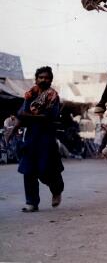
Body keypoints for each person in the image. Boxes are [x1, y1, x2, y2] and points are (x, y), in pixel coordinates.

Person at [11, 66, 64, 212]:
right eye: (41, 77)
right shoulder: (30, 95)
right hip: (31, 138)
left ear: (51, 80)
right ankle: (32, 203)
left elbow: (47, 117)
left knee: (46, 170)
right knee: (28, 171)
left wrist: (26, 116)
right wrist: (12, 131)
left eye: (46, 78)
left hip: (46, 137)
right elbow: (22, 115)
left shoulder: (53, 97)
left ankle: (56, 190)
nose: (43, 80)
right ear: (36, 79)